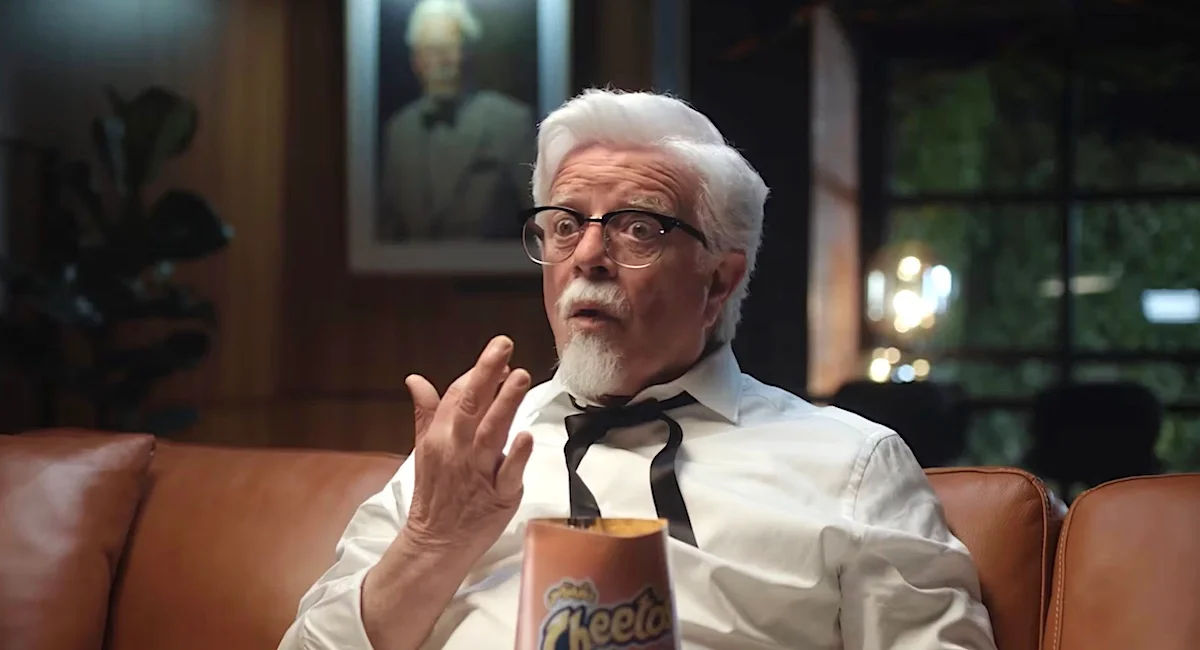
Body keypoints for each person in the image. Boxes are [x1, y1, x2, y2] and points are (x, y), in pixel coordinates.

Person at [279, 89, 997, 649]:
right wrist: (431, 548)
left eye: (637, 227)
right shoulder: (459, 461)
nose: (587, 255)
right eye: (564, 224)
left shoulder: (851, 465)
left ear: (718, 281)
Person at [377, 0, 535, 242]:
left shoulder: (512, 123)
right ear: (416, 61)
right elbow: (387, 229)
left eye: (450, 48)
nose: (441, 61)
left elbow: (537, 221)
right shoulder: (399, 130)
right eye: (431, 49)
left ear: (469, 53)